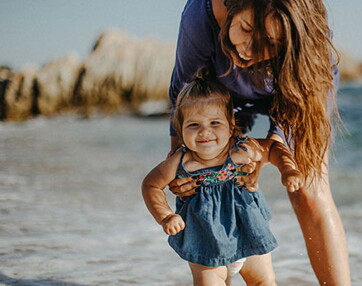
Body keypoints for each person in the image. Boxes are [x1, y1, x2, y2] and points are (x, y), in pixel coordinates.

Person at [168, 0, 351, 284]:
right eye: (246, 28)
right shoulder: (200, 16)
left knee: (309, 188)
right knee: (213, 181)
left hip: (298, 86)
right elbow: (183, 93)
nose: (250, 50)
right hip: (224, 92)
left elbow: (298, 109)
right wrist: (180, 168)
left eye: (271, 43)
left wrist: (269, 148)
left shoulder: (305, 35)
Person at [142, 72, 304, 285]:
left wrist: (288, 170)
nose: (204, 131)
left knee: (263, 281)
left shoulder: (241, 150)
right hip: (204, 240)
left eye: (214, 122)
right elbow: (151, 185)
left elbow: (273, 147)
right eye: (193, 125)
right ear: (180, 130)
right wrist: (165, 216)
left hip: (249, 231)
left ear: (230, 124)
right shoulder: (179, 161)